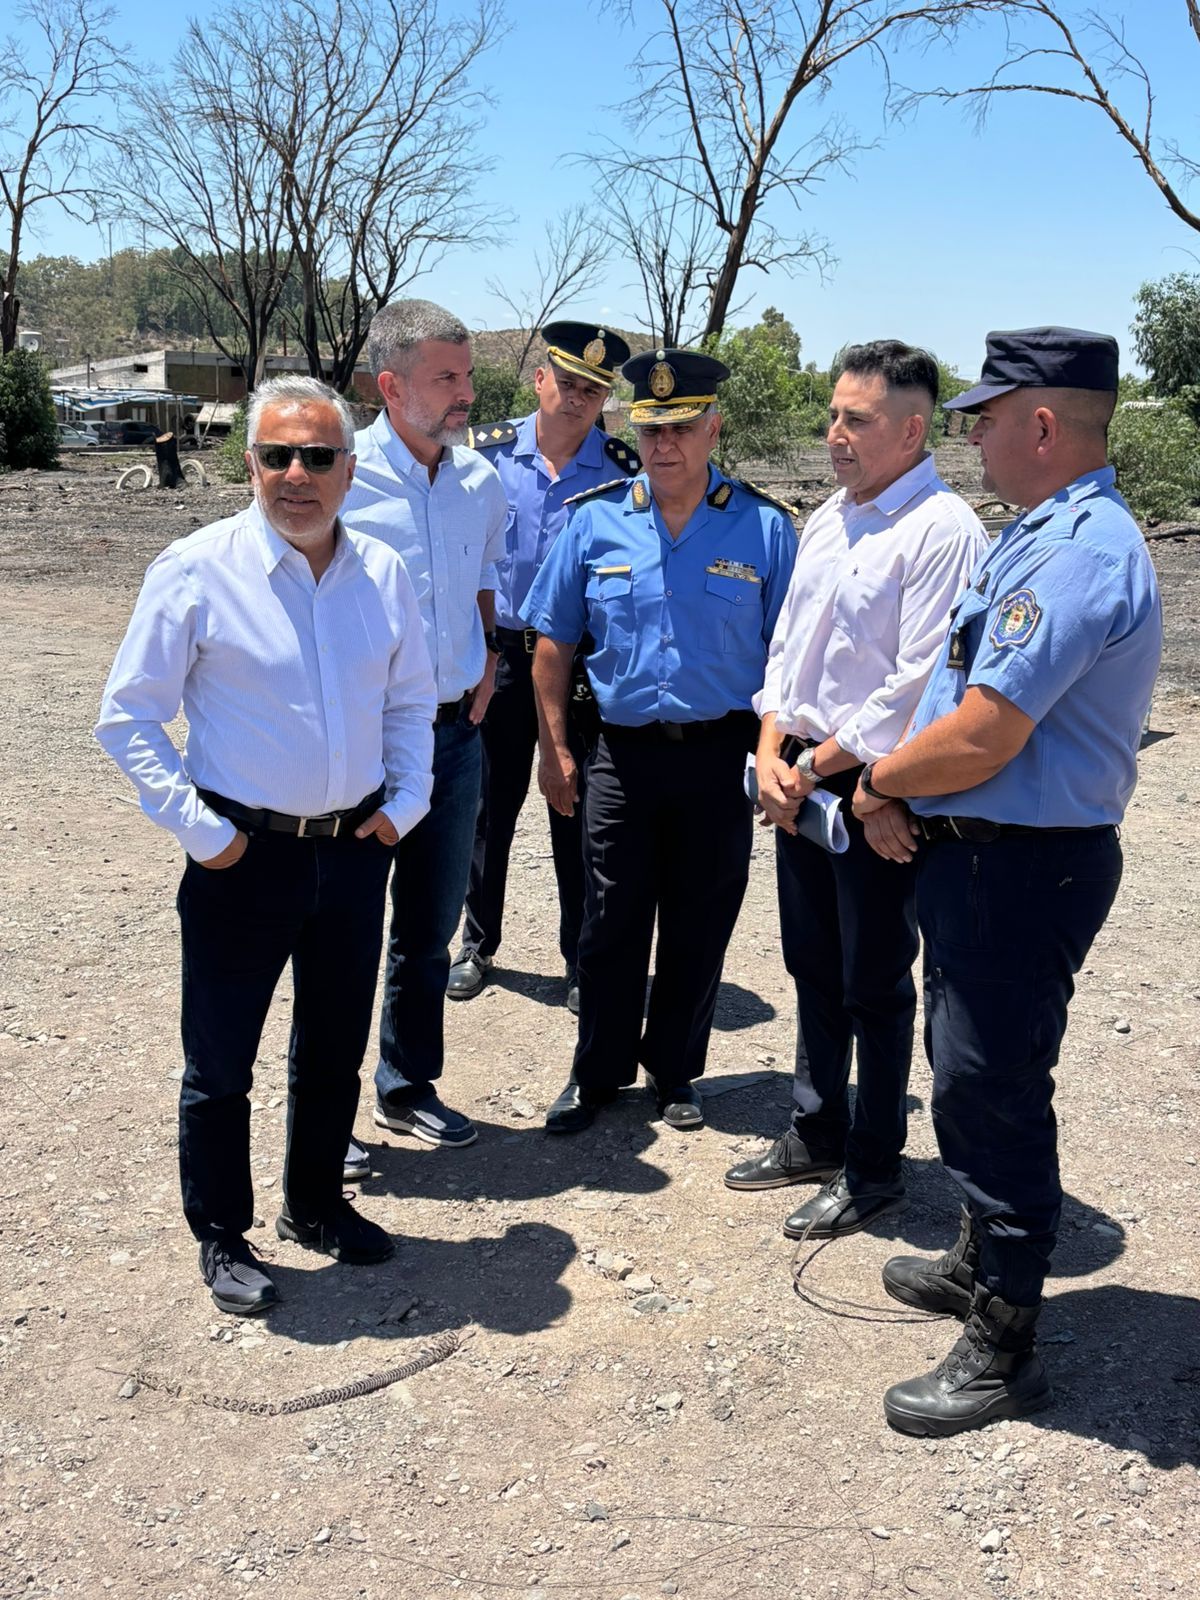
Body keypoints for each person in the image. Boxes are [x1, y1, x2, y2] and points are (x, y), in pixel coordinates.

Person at [848, 327, 1162, 1435]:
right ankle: (983, 1250)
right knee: (967, 1064)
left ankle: (1005, 1337)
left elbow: (985, 732)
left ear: (1043, 423)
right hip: (982, 857)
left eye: (985, 417)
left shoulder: (1082, 550)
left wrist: (879, 784)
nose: (972, 434)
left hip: (1026, 866)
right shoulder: (1039, 534)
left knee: (994, 1086)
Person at [94, 375, 437, 1315]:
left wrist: (405, 806)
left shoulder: (382, 573)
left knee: (332, 1049)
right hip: (241, 857)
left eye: (318, 457)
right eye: (277, 455)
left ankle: (317, 1206)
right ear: (248, 463)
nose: (297, 474)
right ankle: (221, 1232)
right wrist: (204, 835)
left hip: (355, 850)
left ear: (349, 470)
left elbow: (410, 701)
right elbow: (127, 719)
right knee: (221, 1063)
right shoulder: (197, 568)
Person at [724, 342, 987, 1243]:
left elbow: (914, 687)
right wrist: (769, 747)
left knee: (875, 982)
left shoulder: (942, 530)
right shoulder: (830, 518)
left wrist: (816, 768)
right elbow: (788, 652)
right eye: (833, 415)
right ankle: (815, 1128)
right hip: (801, 769)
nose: (835, 434)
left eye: (857, 419)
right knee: (813, 967)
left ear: (913, 431)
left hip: (872, 788)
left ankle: (873, 1167)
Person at [525, 347, 798, 1134]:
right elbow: (552, 644)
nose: (665, 445)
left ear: (715, 427)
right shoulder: (595, 521)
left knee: (699, 918)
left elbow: (789, 655)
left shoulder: (764, 528)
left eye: (682, 427)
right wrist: (555, 749)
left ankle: (675, 1069)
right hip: (622, 754)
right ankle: (598, 1072)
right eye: (651, 429)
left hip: (720, 756)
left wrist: (772, 755)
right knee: (608, 920)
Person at [340, 299, 508, 1161]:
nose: (465, 394)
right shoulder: (341, 475)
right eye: (447, 377)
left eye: (468, 375)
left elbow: (481, 583)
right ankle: (323, 1119)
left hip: (455, 741)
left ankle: (406, 1087)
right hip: (363, 747)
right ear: (391, 385)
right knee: (339, 935)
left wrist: (484, 662)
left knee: (428, 929)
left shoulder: (481, 482)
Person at [449, 322, 640, 1012]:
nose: (577, 399)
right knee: (486, 809)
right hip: (498, 657)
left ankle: (580, 959)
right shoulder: (483, 456)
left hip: (575, 665)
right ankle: (476, 942)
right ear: (539, 381)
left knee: (578, 812)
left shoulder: (622, 470)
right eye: (567, 384)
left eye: (593, 390)